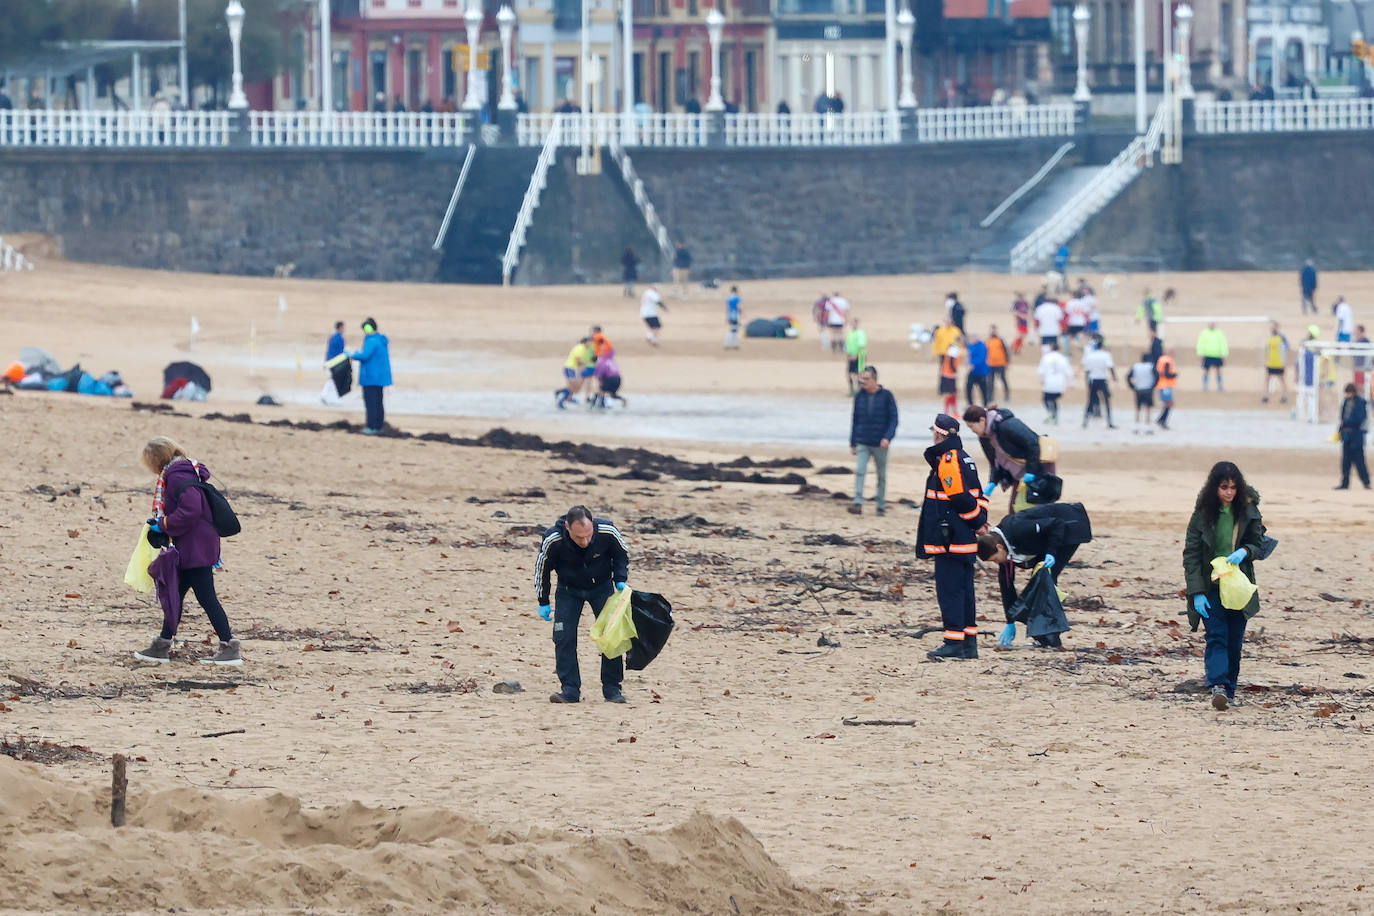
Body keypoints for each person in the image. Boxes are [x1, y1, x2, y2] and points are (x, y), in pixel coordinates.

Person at [132, 437, 242, 666]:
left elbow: (191, 510)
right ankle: (162, 644)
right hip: (196, 543)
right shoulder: (187, 470)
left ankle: (229, 646)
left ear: (155, 460)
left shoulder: (177, 475)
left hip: (194, 547)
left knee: (205, 597)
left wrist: (162, 524)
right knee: (175, 594)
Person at [1183, 461, 1266, 711]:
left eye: (1233, 487)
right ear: (1214, 488)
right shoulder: (1202, 515)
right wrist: (1196, 592)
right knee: (1217, 636)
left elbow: (1258, 543)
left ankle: (1229, 689)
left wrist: (1244, 551)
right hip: (1211, 586)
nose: (1229, 492)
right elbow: (1192, 555)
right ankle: (1218, 685)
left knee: (1234, 641)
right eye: (1224, 487)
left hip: (1239, 584)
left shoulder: (1249, 512)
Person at [534, 506, 631, 704]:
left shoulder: (607, 531)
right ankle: (569, 690)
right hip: (569, 590)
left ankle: (612, 689)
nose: (585, 542)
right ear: (568, 527)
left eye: (588, 536)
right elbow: (542, 569)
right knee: (564, 638)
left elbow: (621, 554)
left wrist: (620, 578)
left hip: (602, 587)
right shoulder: (554, 540)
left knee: (611, 636)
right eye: (579, 538)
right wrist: (543, 601)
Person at [916, 414, 988, 660]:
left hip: (951, 539)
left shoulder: (948, 461)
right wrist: (980, 519)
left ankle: (953, 640)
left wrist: (977, 522)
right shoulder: (966, 458)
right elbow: (979, 495)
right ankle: (969, 643)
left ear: (939, 434)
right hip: (962, 538)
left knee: (950, 591)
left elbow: (959, 498)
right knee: (965, 590)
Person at [977, 502, 1093, 649]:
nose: (996, 562)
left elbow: (1056, 524)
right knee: (1036, 583)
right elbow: (1007, 586)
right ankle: (1043, 638)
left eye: (995, 559)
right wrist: (1010, 621)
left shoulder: (1018, 530)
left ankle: (1051, 638)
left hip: (1070, 525)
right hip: (1044, 538)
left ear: (999, 547)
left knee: (1044, 582)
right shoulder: (1003, 547)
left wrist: (1051, 553)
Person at [963, 404, 1053, 514]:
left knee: (1038, 508)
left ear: (982, 420)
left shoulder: (1008, 425)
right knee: (1015, 509)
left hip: (1038, 467)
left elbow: (1033, 444)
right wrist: (992, 482)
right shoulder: (985, 437)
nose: (972, 430)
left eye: (972, 426)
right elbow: (994, 461)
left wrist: (1031, 472)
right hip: (1017, 472)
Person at [849, 367, 898, 516]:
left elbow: (894, 419)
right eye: (862, 379)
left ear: (875, 380)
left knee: (881, 475)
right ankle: (857, 502)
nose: (863, 382)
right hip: (863, 441)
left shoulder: (887, 396)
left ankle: (881, 505)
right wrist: (852, 442)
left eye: (866, 379)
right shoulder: (859, 396)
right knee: (860, 471)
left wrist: (887, 438)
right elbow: (855, 419)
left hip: (880, 443)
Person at [350, 317, 392, 434]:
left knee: (371, 403)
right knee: (378, 401)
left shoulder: (372, 341)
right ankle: (378, 425)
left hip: (371, 377)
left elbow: (365, 355)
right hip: (380, 378)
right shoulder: (381, 340)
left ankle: (372, 426)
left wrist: (353, 355)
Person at [1337, 383, 1371, 489]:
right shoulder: (1345, 402)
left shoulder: (1360, 403)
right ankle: (1345, 483)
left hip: (1357, 437)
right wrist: (1340, 430)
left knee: (1359, 461)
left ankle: (1366, 482)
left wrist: (1345, 422)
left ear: (1352, 392)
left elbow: (1359, 419)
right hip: (1346, 436)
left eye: (1348, 393)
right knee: (1345, 462)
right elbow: (1342, 417)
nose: (1347, 395)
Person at [1081, 336, 1117, 429]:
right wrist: (1114, 378)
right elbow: (1110, 367)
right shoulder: (1106, 355)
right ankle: (1109, 422)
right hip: (1102, 380)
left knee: (1091, 401)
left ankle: (1085, 421)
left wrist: (1087, 382)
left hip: (1093, 379)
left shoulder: (1090, 356)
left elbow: (1087, 370)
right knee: (1106, 401)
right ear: (1102, 346)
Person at [555, 337, 596, 409]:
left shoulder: (584, 349)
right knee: (574, 386)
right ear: (586, 342)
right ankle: (561, 401)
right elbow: (578, 360)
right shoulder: (580, 348)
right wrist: (587, 363)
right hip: (569, 368)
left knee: (575, 387)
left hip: (572, 369)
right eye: (590, 343)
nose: (591, 344)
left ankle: (560, 393)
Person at [1038, 341, 1072, 424]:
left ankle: (1050, 413)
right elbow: (1069, 372)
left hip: (1049, 382)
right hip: (1060, 384)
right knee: (1054, 400)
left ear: (1051, 348)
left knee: (1045, 399)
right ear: (1059, 349)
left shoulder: (1046, 357)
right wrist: (1071, 383)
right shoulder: (1063, 358)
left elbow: (1041, 371)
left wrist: (1041, 380)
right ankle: (1055, 416)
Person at [1128, 352, 1158, 433]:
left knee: (1138, 408)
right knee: (1148, 408)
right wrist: (1153, 386)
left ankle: (1136, 427)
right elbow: (1157, 377)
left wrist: (1132, 386)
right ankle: (1147, 427)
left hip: (1138, 389)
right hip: (1148, 389)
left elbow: (1128, 376)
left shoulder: (1136, 366)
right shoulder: (1151, 366)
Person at [1262, 322, 1290, 404]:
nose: (1273, 329)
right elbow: (1267, 350)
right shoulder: (1270, 338)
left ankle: (1285, 396)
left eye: (1274, 327)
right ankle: (1266, 396)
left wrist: (1284, 362)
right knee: (1267, 379)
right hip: (1271, 363)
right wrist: (1266, 360)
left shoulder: (1282, 338)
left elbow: (1285, 350)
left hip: (1279, 363)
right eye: (1272, 327)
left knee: (1282, 380)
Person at [1196, 322, 1228, 392]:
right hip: (1207, 355)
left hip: (1217, 355)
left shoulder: (1219, 333)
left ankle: (1220, 386)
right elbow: (1201, 343)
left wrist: (1223, 354)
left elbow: (1223, 343)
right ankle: (1205, 386)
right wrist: (1200, 353)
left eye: (1213, 324)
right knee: (1206, 370)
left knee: (1218, 371)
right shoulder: (1204, 333)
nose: (1211, 325)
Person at [1155, 347, 1178, 430]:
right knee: (1170, 403)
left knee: (1167, 403)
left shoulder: (1161, 359)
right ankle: (1162, 421)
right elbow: (1166, 373)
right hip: (1165, 385)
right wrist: (1174, 375)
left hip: (1162, 384)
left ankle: (1160, 419)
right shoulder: (1167, 360)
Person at [986, 325, 1011, 401]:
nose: (993, 331)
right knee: (990, 382)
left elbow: (1006, 351)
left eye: (994, 330)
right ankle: (990, 397)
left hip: (1000, 364)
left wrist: (1007, 362)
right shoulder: (988, 341)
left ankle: (1007, 396)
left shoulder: (1001, 340)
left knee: (1003, 380)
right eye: (991, 330)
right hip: (990, 364)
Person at [844, 317, 868, 395]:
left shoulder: (860, 333)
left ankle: (859, 390)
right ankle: (851, 390)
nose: (852, 324)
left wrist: (856, 355)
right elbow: (848, 346)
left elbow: (862, 345)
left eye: (854, 323)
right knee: (848, 373)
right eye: (851, 323)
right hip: (850, 355)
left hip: (860, 355)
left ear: (857, 323)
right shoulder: (850, 333)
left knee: (859, 373)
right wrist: (848, 355)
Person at [965, 336, 990, 406]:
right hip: (973, 372)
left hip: (981, 372)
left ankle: (985, 404)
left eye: (972, 339)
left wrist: (973, 364)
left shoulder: (982, 346)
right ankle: (970, 403)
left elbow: (982, 357)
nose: (971, 340)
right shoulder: (971, 345)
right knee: (968, 387)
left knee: (983, 389)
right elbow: (969, 355)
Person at [939, 343, 960, 415]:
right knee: (951, 393)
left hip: (946, 375)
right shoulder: (952, 352)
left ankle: (948, 411)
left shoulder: (948, 353)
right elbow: (951, 363)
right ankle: (952, 411)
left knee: (950, 393)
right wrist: (955, 372)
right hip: (950, 376)